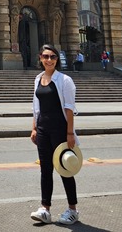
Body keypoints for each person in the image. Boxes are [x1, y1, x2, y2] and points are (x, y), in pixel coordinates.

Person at [30, 44, 80, 226]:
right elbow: (35, 107)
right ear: (40, 58)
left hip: (60, 129)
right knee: (45, 170)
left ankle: (73, 210)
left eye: (52, 57)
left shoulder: (64, 80)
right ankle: (45, 209)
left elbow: (69, 108)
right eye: (45, 56)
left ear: (57, 59)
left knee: (65, 169)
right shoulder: (37, 79)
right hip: (43, 128)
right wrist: (34, 128)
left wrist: (69, 133)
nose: (49, 60)